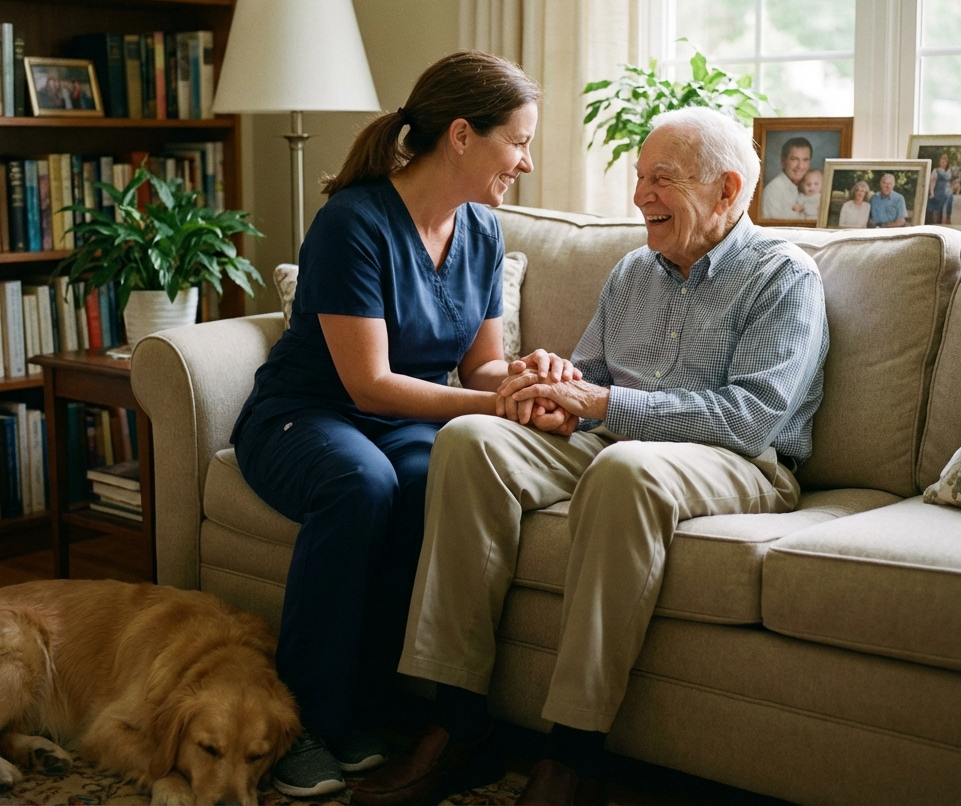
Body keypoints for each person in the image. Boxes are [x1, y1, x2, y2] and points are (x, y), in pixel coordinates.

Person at [353, 107, 829, 806]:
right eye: (640, 177)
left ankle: (574, 755)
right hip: (613, 443)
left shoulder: (782, 276)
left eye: (660, 180)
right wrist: (549, 392)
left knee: (625, 467)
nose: (640, 196)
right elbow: (590, 378)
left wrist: (602, 406)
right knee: (471, 441)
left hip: (737, 460)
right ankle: (458, 722)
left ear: (728, 191)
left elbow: (749, 418)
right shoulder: (635, 270)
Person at [230, 51, 571, 799]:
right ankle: (304, 722)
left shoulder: (481, 231)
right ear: (460, 134)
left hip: (398, 421)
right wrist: (493, 406)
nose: (526, 160)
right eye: (517, 141)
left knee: (429, 479)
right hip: (306, 414)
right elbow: (370, 384)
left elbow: (481, 366)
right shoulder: (353, 223)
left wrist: (521, 378)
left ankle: (371, 706)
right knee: (361, 484)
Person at [760, 136, 812, 219]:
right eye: (794, 159)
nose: (800, 166)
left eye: (805, 160)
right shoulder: (774, 191)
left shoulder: (809, 187)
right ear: (783, 161)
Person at [926, 154, 953, 225]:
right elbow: (932, 182)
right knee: (937, 208)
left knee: (947, 207)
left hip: (948, 193)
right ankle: (936, 223)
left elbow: (950, 182)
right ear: (939, 162)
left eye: (945, 162)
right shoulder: (936, 170)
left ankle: (947, 219)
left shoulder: (949, 171)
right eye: (942, 161)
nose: (944, 163)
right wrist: (932, 192)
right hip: (939, 191)